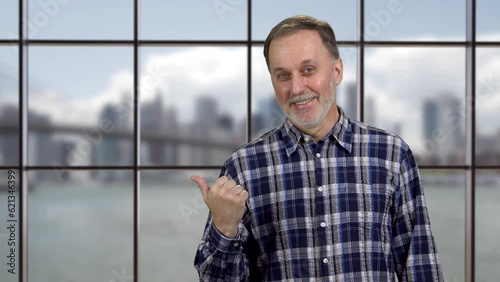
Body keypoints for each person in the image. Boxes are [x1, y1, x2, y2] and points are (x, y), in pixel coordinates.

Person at [191, 15, 444, 281]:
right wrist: (224, 227)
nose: (297, 87)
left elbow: (421, 266)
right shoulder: (243, 168)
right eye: (283, 75)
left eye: (308, 70)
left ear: (337, 71)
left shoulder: (392, 155)